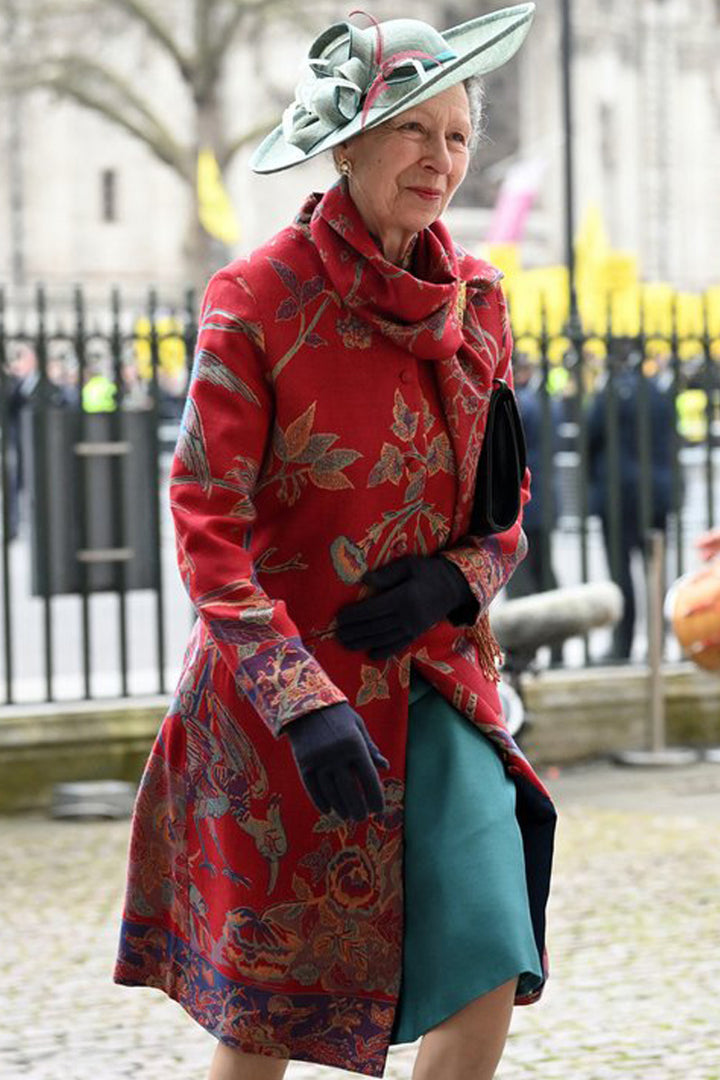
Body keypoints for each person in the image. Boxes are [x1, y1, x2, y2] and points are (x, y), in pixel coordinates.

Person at [114, 8, 556, 1080]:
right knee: (265, 1013)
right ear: (348, 144)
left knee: (492, 937)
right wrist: (300, 700)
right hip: (279, 715)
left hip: (435, 680)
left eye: (457, 137)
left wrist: (456, 579)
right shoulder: (254, 301)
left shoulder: (479, 299)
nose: (441, 159)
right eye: (414, 130)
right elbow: (204, 527)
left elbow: (506, 505)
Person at [587, 338, 675, 660]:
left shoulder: (609, 392)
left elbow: (590, 435)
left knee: (621, 573)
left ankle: (623, 644)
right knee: (657, 569)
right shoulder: (658, 392)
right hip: (656, 493)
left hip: (618, 496)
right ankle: (660, 640)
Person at [505, 352, 563, 665]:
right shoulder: (548, 402)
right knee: (545, 575)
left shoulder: (519, 403)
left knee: (521, 580)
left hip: (524, 502)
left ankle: (524, 651)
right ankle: (557, 646)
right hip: (546, 499)